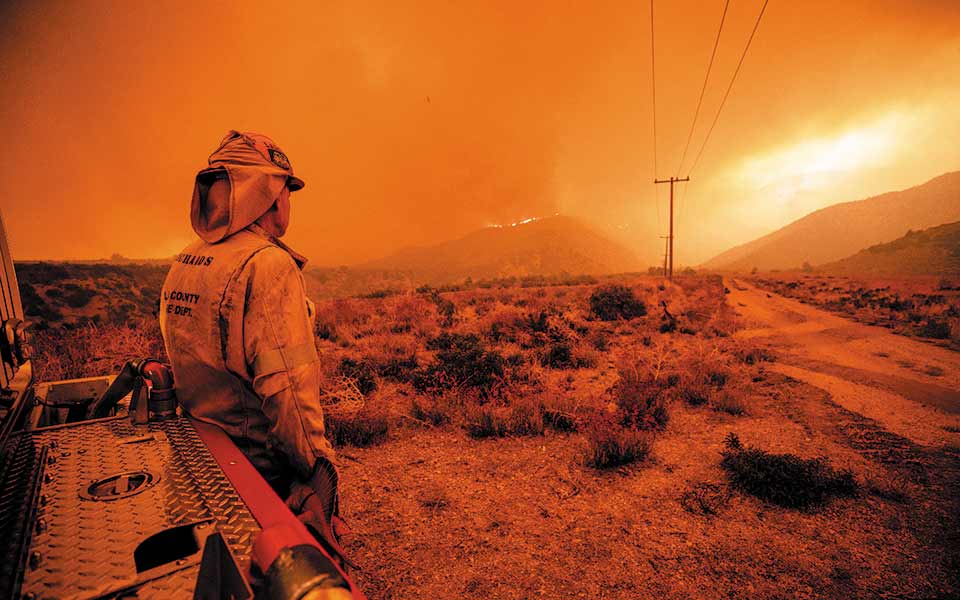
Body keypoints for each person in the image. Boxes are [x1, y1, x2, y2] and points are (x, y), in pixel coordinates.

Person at [160, 130, 348, 564]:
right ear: (264, 194)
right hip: (260, 470)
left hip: (206, 453)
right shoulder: (267, 265)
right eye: (285, 189)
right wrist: (317, 471)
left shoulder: (186, 260)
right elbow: (289, 395)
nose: (287, 201)